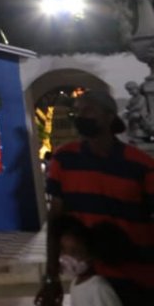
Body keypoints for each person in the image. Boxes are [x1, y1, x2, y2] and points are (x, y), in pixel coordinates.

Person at [36, 89, 154, 306]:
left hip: (137, 275)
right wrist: (51, 275)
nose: (80, 116)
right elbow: (55, 220)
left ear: (110, 117)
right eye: (78, 111)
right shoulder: (65, 159)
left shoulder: (140, 165)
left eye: (88, 110)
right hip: (91, 275)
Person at [56, 214, 123, 306]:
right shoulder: (75, 283)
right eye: (63, 250)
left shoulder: (99, 288)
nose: (66, 258)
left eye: (75, 252)